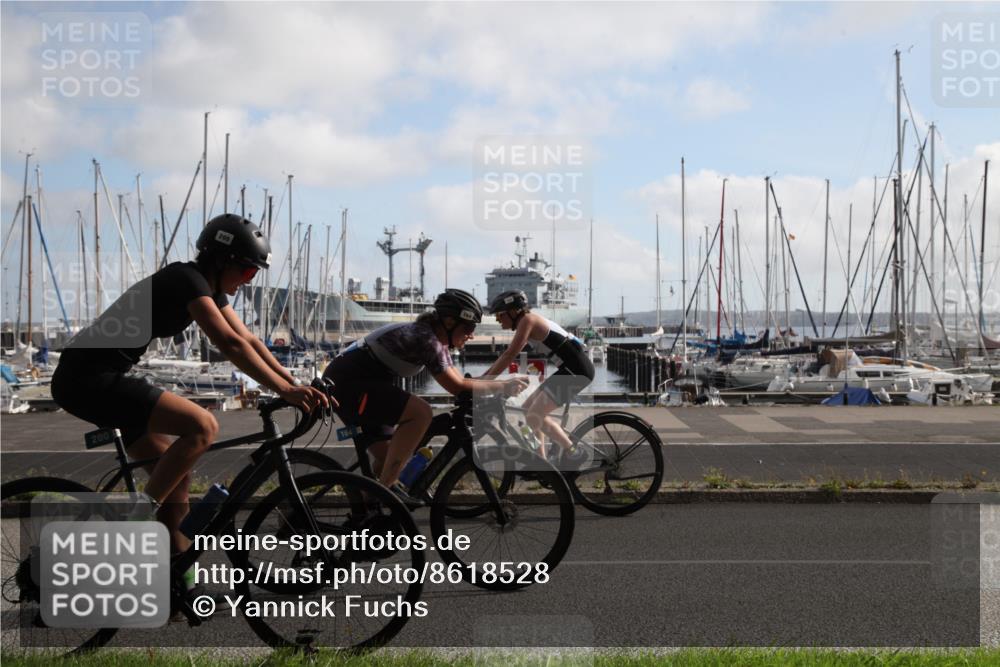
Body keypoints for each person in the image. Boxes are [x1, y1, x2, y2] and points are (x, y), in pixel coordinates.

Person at [52, 214, 329, 558]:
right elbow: (229, 343)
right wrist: (285, 392)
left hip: (104, 375)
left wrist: (295, 384)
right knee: (203, 426)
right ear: (222, 260)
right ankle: (133, 524)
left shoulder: (210, 288)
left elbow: (249, 340)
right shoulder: (186, 279)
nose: (249, 281)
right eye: (247, 272)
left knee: (176, 481)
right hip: (85, 378)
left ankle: (180, 575)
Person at [322, 288, 527, 506]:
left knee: (391, 456)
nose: (472, 334)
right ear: (449, 322)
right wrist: (501, 386)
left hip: (358, 382)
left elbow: (460, 381)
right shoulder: (427, 340)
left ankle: (369, 509)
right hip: (349, 383)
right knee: (421, 413)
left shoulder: (433, 338)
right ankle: (386, 493)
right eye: (468, 327)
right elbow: (457, 387)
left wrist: (498, 385)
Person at [482, 290, 595, 461]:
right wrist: (483, 378)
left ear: (513, 311)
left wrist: (486, 380)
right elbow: (507, 355)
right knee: (527, 410)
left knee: (533, 415)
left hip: (577, 372)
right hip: (569, 370)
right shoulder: (527, 321)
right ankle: (541, 461)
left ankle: (574, 452)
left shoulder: (528, 321)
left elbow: (509, 355)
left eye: (500, 315)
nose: (498, 319)